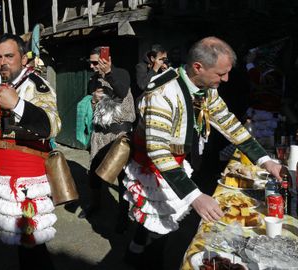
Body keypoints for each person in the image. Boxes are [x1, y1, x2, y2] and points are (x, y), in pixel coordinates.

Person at [123, 36, 282, 266]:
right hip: (154, 167)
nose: (226, 79)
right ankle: (141, 259)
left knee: (157, 223)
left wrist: (265, 161)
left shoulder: (204, 87)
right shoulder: (162, 93)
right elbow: (158, 152)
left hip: (172, 162)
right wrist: (195, 196)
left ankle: (134, 255)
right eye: (220, 74)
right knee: (158, 225)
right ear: (198, 67)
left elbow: (229, 123)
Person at [0, 34, 61, 270]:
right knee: (25, 245)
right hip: (8, 177)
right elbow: (8, 131)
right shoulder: (10, 86)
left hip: (28, 181)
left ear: (23, 57)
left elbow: (51, 126)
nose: (3, 62)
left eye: (9, 56)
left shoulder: (36, 85)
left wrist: (18, 105)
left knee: (32, 244)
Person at [78, 46, 136, 228]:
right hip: (99, 133)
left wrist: (109, 73)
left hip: (119, 134)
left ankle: (123, 214)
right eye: (91, 63)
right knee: (94, 171)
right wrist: (94, 99)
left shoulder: (121, 74)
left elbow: (121, 92)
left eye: (97, 62)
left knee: (122, 174)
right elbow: (94, 105)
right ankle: (95, 204)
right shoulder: (93, 80)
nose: (93, 66)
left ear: (107, 59)